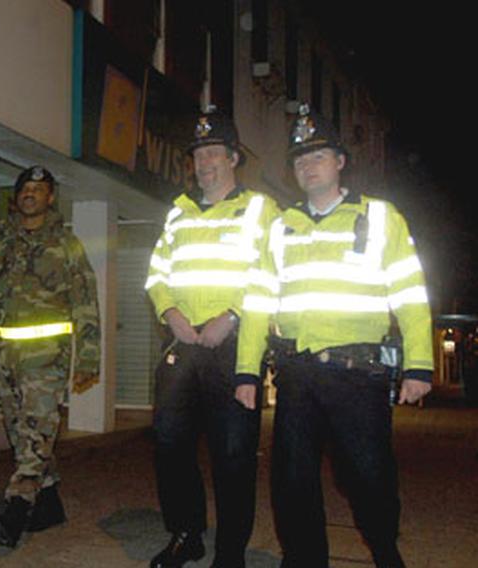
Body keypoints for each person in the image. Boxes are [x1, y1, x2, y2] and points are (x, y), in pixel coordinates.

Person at [235, 104, 433, 567]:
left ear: (340, 161)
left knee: (368, 478)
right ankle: (304, 559)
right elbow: (257, 302)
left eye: (318, 156)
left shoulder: (381, 218)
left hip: (358, 374)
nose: (307, 166)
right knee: (292, 480)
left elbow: (410, 294)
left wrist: (419, 364)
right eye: (300, 160)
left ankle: (385, 550)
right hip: (298, 374)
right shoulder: (281, 227)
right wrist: (246, 370)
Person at [144, 111, 280, 568]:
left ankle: (230, 551)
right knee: (168, 441)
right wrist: (170, 313)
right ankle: (186, 533)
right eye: (198, 155)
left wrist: (235, 315)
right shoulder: (178, 210)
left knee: (234, 452)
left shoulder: (261, 209)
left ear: (233, 158)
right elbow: (157, 274)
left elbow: (273, 272)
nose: (204, 163)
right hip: (183, 344)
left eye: (213, 153)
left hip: (234, 347)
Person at [0, 165, 100, 548]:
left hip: (47, 360)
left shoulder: (67, 245)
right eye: (25, 188)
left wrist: (88, 359)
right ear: (17, 198)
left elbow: (85, 303)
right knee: (22, 435)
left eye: (39, 188)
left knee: (34, 435)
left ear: (50, 198)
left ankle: (16, 509)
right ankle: (49, 503)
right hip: (7, 360)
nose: (30, 193)